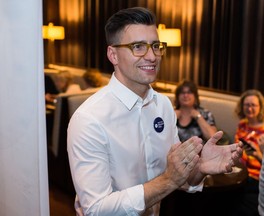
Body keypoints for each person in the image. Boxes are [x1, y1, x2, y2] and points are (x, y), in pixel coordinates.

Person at [67, 7, 243, 216]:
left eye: (156, 46)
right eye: (138, 46)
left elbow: (179, 178)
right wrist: (168, 179)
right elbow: (96, 210)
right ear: (113, 54)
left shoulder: (163, 105)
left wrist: (199, 168)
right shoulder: (89, 119)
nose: (152, 56)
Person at [234, 89, 264, 216]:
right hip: (240, 173)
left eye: (253, 105)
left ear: (260, 107)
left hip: (257, 177)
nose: (249, 108)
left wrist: (258, 154)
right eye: (246, 105)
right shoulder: (242, 124)